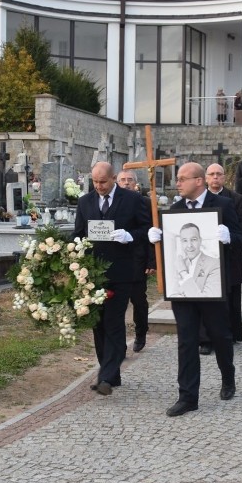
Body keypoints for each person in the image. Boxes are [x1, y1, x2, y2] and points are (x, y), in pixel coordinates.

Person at [148, 162, 242, 417]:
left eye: (182, 178)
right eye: (178, 179)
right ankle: (188, 396)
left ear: (198, 181)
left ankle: (228, 377)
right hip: (183, 290)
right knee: (187, 340)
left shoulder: (222, 205)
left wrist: (229, 236)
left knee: (220, 335)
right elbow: (173, 248)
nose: (177, 183)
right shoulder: (175, 210)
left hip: (212, 285)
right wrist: (158, 240)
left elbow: (240, 235)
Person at [73, 162, 152, 396]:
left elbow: (147, 230)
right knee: (98, 324)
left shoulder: (132, 199)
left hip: (122, 273)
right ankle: (112, 374)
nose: (99, 186)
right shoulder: (85, 202)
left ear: (114, 178)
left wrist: (130, 236)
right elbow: (78, 234)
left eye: (103, 182)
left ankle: (105, 377)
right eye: (95, 182)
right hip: (93, 274)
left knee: (114, 323)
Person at [205, 163, 242, 345]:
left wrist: (231, 238)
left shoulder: (235, 198)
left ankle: (231, 334)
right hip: (207, 256)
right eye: (212, 174)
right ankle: (207, 338)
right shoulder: (200, 198)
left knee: (231, 298)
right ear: (206, 178)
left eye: (219, 174)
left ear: (224, 178)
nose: (215, 177)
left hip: (230, 255)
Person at [117, 169, 155, 352]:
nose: (126, 183)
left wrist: (151, 261)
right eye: (122, 180)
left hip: (137, 259)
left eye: (129, 180)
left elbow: (150, 233)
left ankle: (140, 333)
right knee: (117, 304)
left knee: (139, 300)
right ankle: (120, 343)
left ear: (135, 183)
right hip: (116, 259)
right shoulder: (112, 202)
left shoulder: (144, 202)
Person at [173, 223, 221, 297]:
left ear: (200, 241)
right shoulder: (179, 263)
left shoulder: (215, 264)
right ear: (181, 243)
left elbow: (208, 297)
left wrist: (183, 273)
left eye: (193, 240)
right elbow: (173, 293)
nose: (189, 245)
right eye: (185, 240)